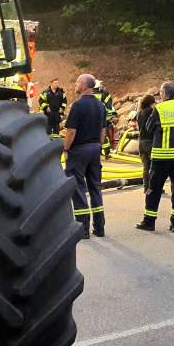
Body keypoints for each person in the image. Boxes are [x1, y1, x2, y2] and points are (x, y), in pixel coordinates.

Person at [137, 82, 174, 232]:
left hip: (162, 156)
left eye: (160, 93)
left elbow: (148, 128)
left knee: (154, 189)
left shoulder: (160, 109)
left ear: (164, 94)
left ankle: (149, 222)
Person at [64, 74, 107, 238]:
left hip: (79, 151)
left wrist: (66, 150)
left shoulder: (78, 106)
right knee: (95, 187)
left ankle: (83, 229)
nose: (75, 84)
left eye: (77, 82)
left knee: (78, 187)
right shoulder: (100, 105)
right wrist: (99, 147)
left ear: (86, 86)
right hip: (95, 148)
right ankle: (99, 227)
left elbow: (71, 131)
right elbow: (103, 131)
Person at [136, 94, 157, 193]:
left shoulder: (139, 113)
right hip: (150, 142)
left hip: (141, 142)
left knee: (145, 167)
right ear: (150, 103)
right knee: (154, 166)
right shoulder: (152, 112)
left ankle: (146, 188)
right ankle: (153, 188)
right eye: (154, 103)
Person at [94, 80, 115, 158]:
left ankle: (96, 153)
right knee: (103, 135)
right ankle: (106, 153)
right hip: (101, 119)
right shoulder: (102, 95)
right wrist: (109, 116)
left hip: (91, 119)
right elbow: (109, 106)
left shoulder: (88, 95)